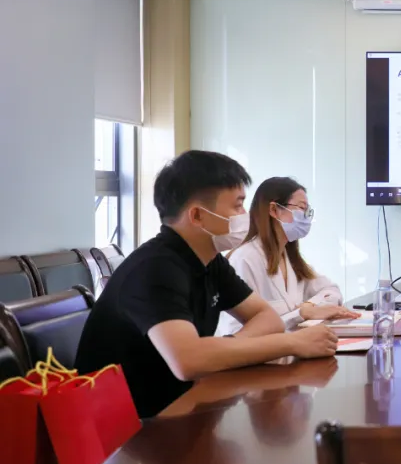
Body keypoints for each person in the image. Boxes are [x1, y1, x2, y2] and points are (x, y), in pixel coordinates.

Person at [74, 150, 339, 419]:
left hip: (178, 407)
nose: (245, 215)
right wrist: (292, 343)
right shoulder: (155, 268)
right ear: (198, 216)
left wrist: (225, 349)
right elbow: (188, 361)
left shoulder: (210, 261)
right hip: (128, 427)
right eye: (237, 206)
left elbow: (267, 318)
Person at [217, 176, 356, 336]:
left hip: (293, 347)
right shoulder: (245, 259)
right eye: (301, 208)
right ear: (274, 210)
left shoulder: (290, 257)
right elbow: (236, 333)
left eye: (308, 211)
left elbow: (332, 290)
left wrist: (310, 305)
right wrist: (301, 314)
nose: (306, 217)